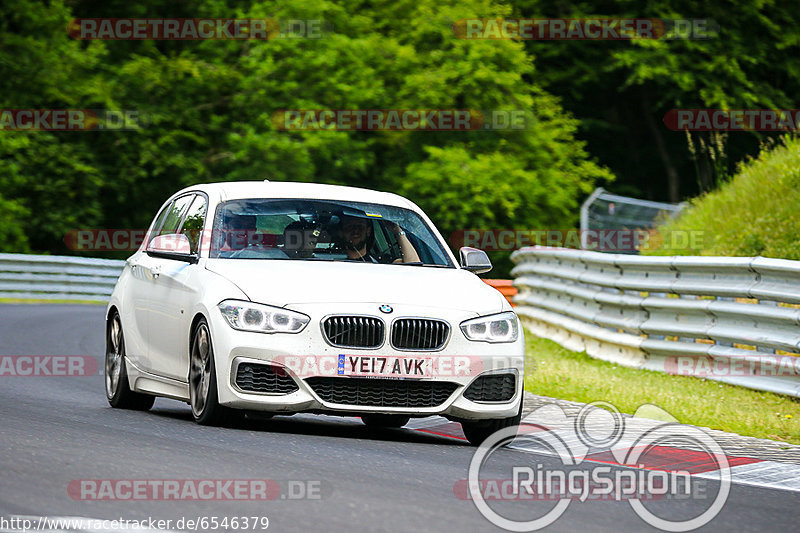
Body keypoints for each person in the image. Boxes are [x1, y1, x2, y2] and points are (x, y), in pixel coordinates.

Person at [334, 214, 420, 263]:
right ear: (340, 232)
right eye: (350, 226)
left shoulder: (382, 261)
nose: (356, 230)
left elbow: (414, 267)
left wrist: (398, 232)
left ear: (368, 231)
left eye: (360, 226)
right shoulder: (330, 261)